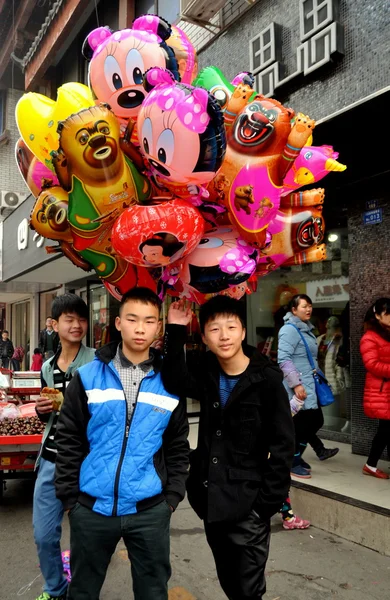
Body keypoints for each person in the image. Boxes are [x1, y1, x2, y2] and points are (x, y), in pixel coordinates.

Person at [55, 287, 189, 600]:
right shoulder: (88, 376)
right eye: (132, 319)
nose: (140, 328)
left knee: (153, 592)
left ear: (158, 327)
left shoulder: (170, 382)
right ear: (118, 323)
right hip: (91, 509)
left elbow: (177, 444)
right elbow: (69, 437)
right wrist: (70, 499)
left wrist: (171, 496)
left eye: (148, 321)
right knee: (83, 591)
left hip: (150, 510)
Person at [162, 295, 295, 600]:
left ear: (243, 331)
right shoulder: (206, 369)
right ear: (205, 336)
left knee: (248, 591)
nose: (224, 336)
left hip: (249, 506)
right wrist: (175, 328)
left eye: (231, 327)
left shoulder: (267, 380)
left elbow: (284, 447)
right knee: (229, 583)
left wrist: (265, 506)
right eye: (214, 329)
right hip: (210, 501)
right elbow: (173, 379)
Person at [33, 294, 95, 600]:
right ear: (54, 325)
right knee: (44, 535)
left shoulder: (98, 361)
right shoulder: (46, 367)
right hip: (51, 459)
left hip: (85, 460)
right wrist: (41, 409)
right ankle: (56, 589)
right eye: (69, 319)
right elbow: (47, 410)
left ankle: (81, 591)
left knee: (86, 535)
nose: (77, 325)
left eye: (81, 319)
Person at [278, 294, 339, 479]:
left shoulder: (304, 329)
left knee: (312, 422)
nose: (308, 309)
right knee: (307, 423)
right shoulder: (290, 330)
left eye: (310, 305)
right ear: (293, 310)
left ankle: (296, 457)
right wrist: (296, 384)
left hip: (309, 384)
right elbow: (283, 359)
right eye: (304, 306)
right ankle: (292, 460)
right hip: (299, 387)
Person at [360, 298, 390, 480]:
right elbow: (372, 364)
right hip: (382, 391)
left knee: (386, 430)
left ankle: (370, 464)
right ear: (378, 315)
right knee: (386, 429)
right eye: (388, 313)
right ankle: (370, 465)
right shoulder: (369, 337)